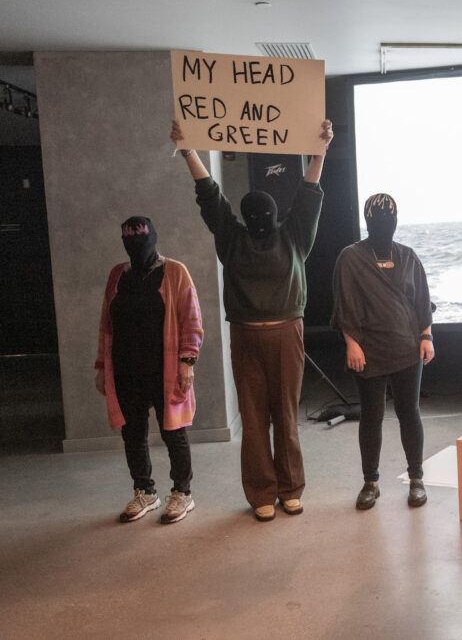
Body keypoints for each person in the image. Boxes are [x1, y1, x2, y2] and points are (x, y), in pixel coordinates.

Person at [170, 119, 334, 522]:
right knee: (255, 418)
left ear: (274, 214)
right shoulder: (233, 238)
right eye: (253, 214)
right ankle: (263, 492)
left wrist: (321, 151)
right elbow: (209, 197)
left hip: (283, 335)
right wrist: (188, 151)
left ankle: (290, 488)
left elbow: (309, 194)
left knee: (286, 417)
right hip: (247, 336)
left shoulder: (294, 234)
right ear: (247, 217)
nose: (260, 217)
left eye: (264, 213)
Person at [95, 216, 203, 524]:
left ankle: (183, 492)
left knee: (174, 433)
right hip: (125, 369)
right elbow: (106, 324)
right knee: (133, 434)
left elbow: (192, 320)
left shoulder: (175, 272)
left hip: (165, 368)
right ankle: (144, 490)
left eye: (141, 239)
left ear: (152, 238)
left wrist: (187, 361)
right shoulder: (118, 274)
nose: (135, 246)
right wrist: (103, 367)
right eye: (129, 240)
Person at [332, 193, 434, 510]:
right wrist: (352, 343)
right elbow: (344, 303)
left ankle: (416, 479)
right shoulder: (351, 257)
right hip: (368, 350)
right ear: (367, 221)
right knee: (371, 418)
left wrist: (426, 335)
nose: (385, 224)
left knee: (409, 413)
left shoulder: (408, 256)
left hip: (406, 348)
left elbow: (421, 300)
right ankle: (370, 483)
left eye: (389, 219)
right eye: (378, 220)